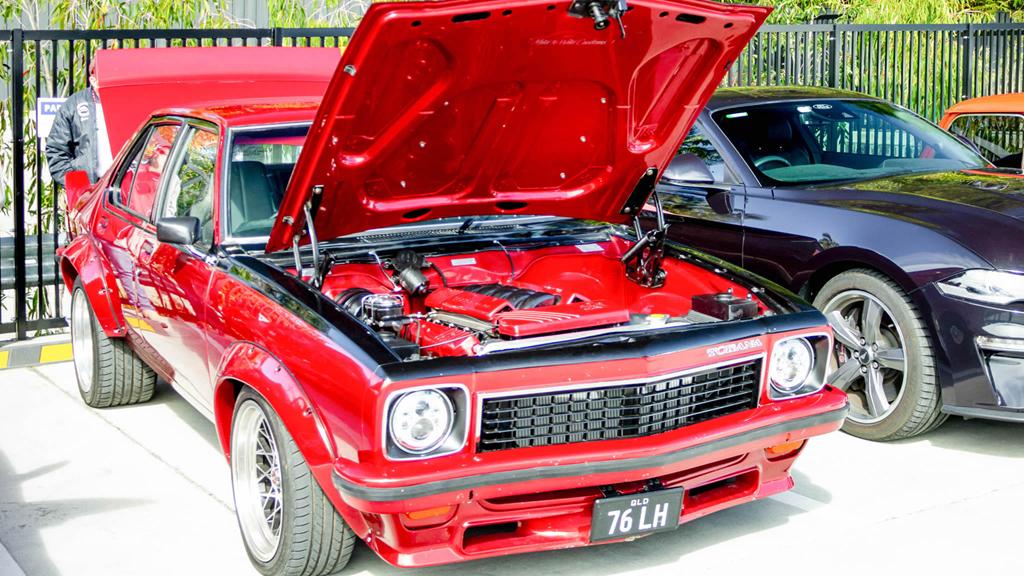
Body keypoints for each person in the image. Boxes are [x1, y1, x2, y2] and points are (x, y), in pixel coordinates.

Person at [45, 58, 113, 186]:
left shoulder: (125, 103)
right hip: (90, 188)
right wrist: (77, 186)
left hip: (124, 187)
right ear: (93, 80)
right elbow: (56, 149)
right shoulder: (73, 105)